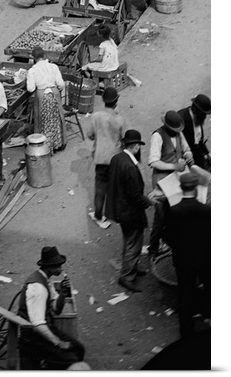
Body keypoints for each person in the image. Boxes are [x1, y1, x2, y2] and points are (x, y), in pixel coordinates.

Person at [16, 246, 85, 368]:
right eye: (58, 266)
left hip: (47, 328)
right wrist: (59, 343)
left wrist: (63, 293)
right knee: (72, 360)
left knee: (79, 349)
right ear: (49, 267)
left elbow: (56, 310)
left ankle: (50, 364)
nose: (61, 269)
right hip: (33, 338)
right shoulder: (38, 288)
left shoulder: (46, 280)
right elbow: (38, 324)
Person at [162, 171, 210, 337]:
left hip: (182, 259)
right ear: (196, 188)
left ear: (181, 188)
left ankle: (186, 331)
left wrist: (179, 247)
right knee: (209, 287)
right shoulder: (206, 210)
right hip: (204, 258)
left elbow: (167, 236)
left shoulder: (174, 211)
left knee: (185, 292)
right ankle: (208, 316)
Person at [106, 129, 152, 293]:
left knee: (128, 241)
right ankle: (127, 276)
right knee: (134, 245)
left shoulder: (117, 158)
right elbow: (135, 196)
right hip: (130, 213)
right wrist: (149, 201)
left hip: (120, 209)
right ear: (136, 146)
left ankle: (132, 267)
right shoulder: (131, 167)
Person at [147, 111, 194, 257]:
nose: (176, 132)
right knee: (160, 216)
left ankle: (168, 241)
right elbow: (153, 162)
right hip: (161, 181)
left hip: (176, 179)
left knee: (174, 212)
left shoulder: (179, 133)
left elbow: (186, 149)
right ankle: (153, 249)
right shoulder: (158, 136)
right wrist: (174, 166)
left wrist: (189, 156)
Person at [84, 86, 124, 229]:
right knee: (115, 187)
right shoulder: (119, 119)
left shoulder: (96, 116)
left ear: (103, 101)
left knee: (100, 188)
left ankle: (99, 216)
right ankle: (116, 213)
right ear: (116, 101)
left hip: (101, 158)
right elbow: (124, 138)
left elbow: (90, 135)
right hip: (116, 158)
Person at [26, 47, 66, 152]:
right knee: (55, 120)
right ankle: (56, 143)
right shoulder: (53, 67)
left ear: (34, 58)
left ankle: (46, 148)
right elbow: (61, 84)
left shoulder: (32, 71)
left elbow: (30, 89)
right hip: (54, 96)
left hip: (42, 97)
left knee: (43, 122)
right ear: (44, 56)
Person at [178, 94, 210, 170]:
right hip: (186, 159)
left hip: (198, 154)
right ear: (197, 111)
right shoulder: (181, 118)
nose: (205, 117)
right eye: (203, 114)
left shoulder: (198, 118)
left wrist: (207, 153)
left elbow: (199, 139)